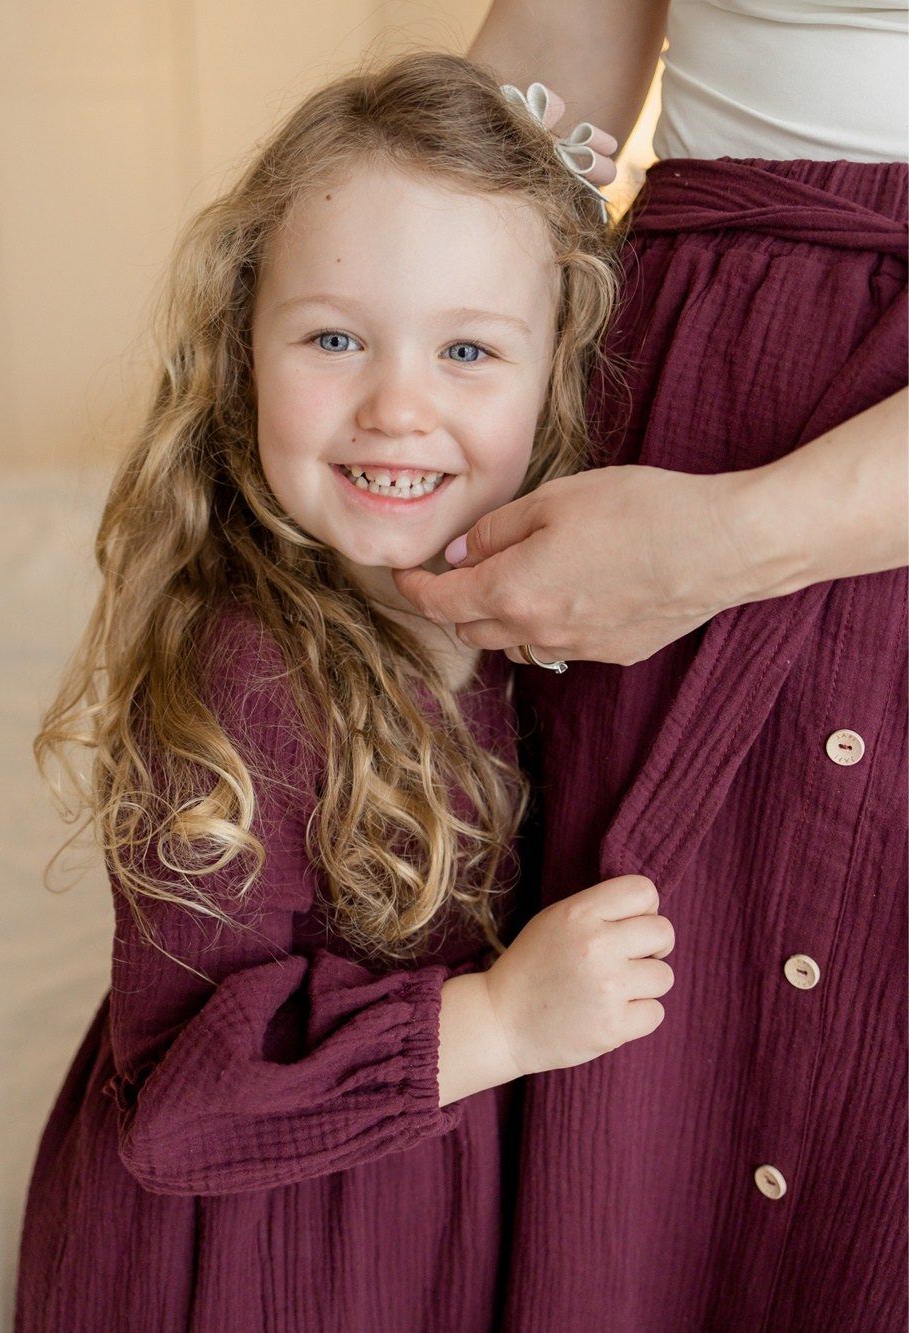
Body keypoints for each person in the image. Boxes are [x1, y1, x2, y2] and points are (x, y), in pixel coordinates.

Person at [13, 52, 677, 1332]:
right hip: (254, 1266)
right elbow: (182, 1106)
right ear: (242, 351)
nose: (396, 407)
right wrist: (498, 1023)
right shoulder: (243, 678)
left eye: (467, 348)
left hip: (417, 1219)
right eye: (334, 338)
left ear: (554, 374)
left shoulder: (526, 618)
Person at [391, 5, 909, 1329]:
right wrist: (401, 351)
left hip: (688, 499)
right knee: (635, 1081)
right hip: (685, 380)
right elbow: (555, 60)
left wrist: (731, 543)